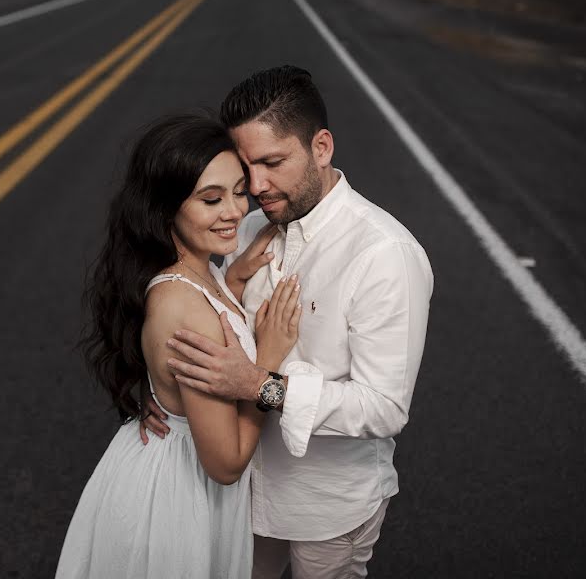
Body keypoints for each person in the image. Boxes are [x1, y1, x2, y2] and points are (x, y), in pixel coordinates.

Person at [142, 66, 434, 578]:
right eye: (246, 166)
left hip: (325, 506)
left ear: (321, 147)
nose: (255, 187)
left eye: (273, 163)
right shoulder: (252, 224)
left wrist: (260, 385)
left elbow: (386, 409)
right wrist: (162, 393)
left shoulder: (385, 255)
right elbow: (192, 314)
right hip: (239, 495)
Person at [55, 114, 304, 578]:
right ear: (165, 207)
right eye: (211, 199)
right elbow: (226, 464)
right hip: (179, 496)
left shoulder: (196, 272)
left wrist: (229, 281)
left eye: (237, 190)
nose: (234, 211)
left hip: (164, 470)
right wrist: (266, 361)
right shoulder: (183, 306)